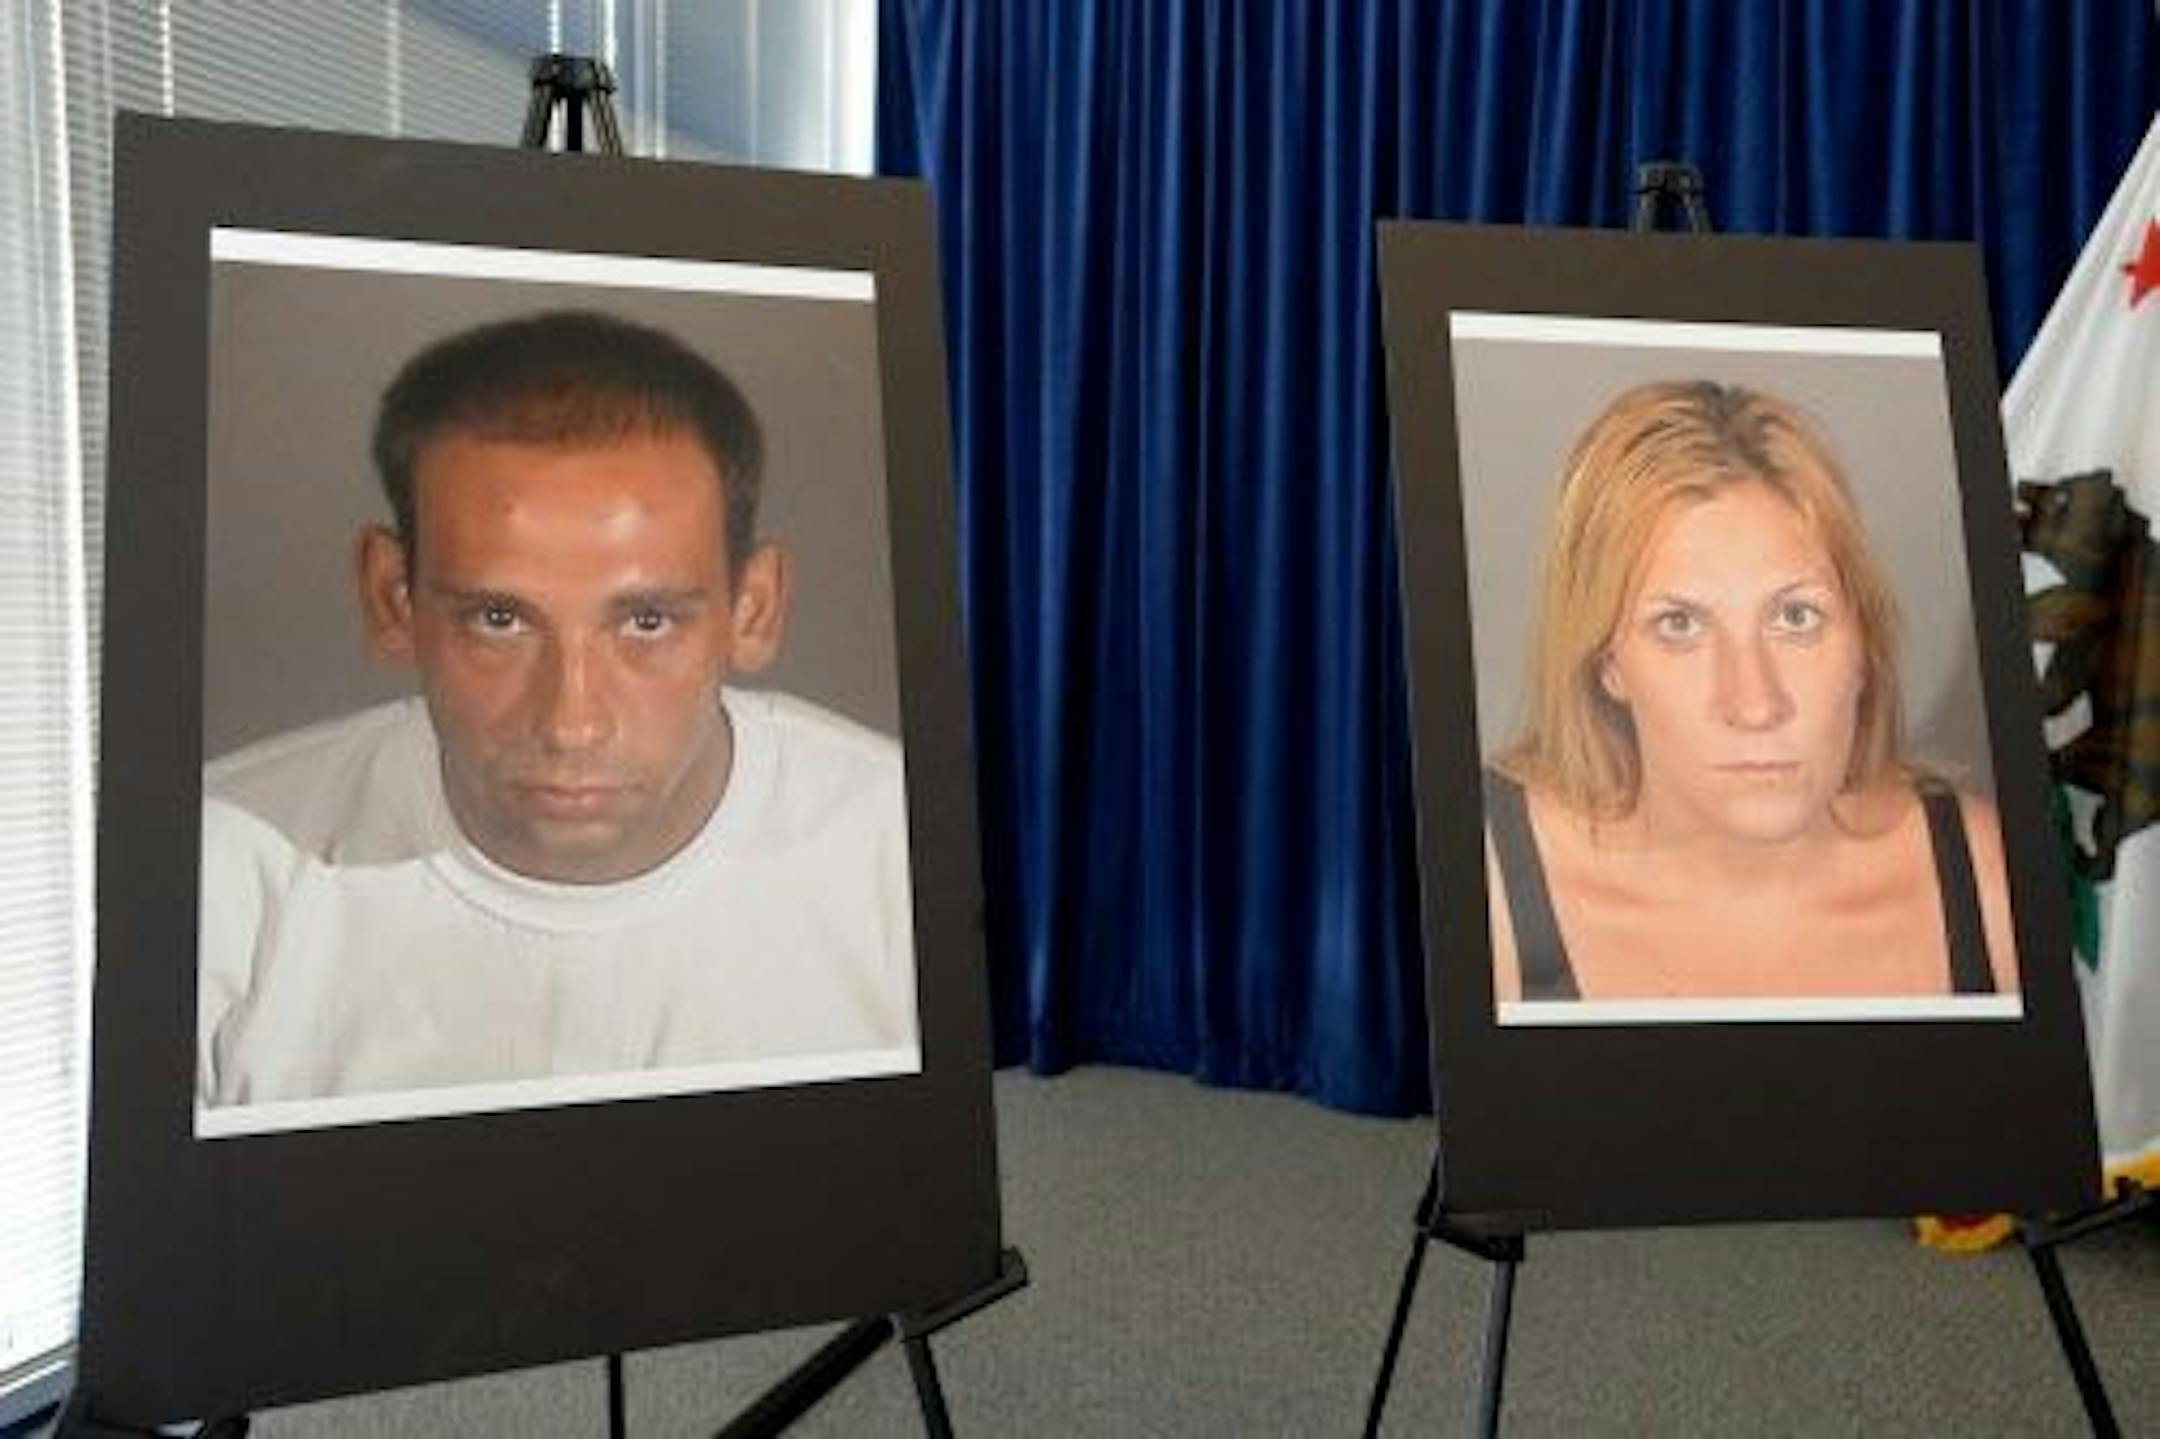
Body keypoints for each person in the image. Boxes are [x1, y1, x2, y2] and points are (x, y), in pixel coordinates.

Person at [198, 310, 917, 1109]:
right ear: (393, 599)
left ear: (752, 609)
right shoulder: (222, 867)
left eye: (647, 622)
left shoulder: (904, 852)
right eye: (498, 619)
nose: (572, 724)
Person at [1485, 379, 2019, 1005]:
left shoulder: (1989, 881)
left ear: (1863, 645)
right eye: (1679, 625)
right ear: (1607, 664)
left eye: (1795, 617)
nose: (1756, 705)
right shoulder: (1488, 885)